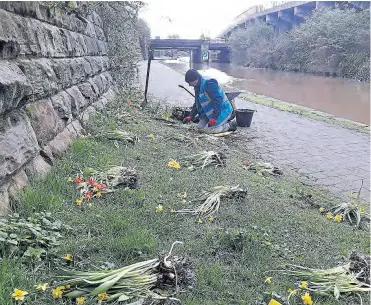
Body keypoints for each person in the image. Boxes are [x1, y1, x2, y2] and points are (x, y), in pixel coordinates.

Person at [183, 69, 237, 134]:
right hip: (209, 114)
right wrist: (191, 116)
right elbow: (197, 103)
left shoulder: (209, 83)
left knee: (210, 131)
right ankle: (218, 124)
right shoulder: (197, 86)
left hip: (223, 111)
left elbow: (218, 100)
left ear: (195, 79)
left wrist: (214, 118)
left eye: (189, 82)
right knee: (199, 128)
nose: (189, 85)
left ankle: (230, 125)